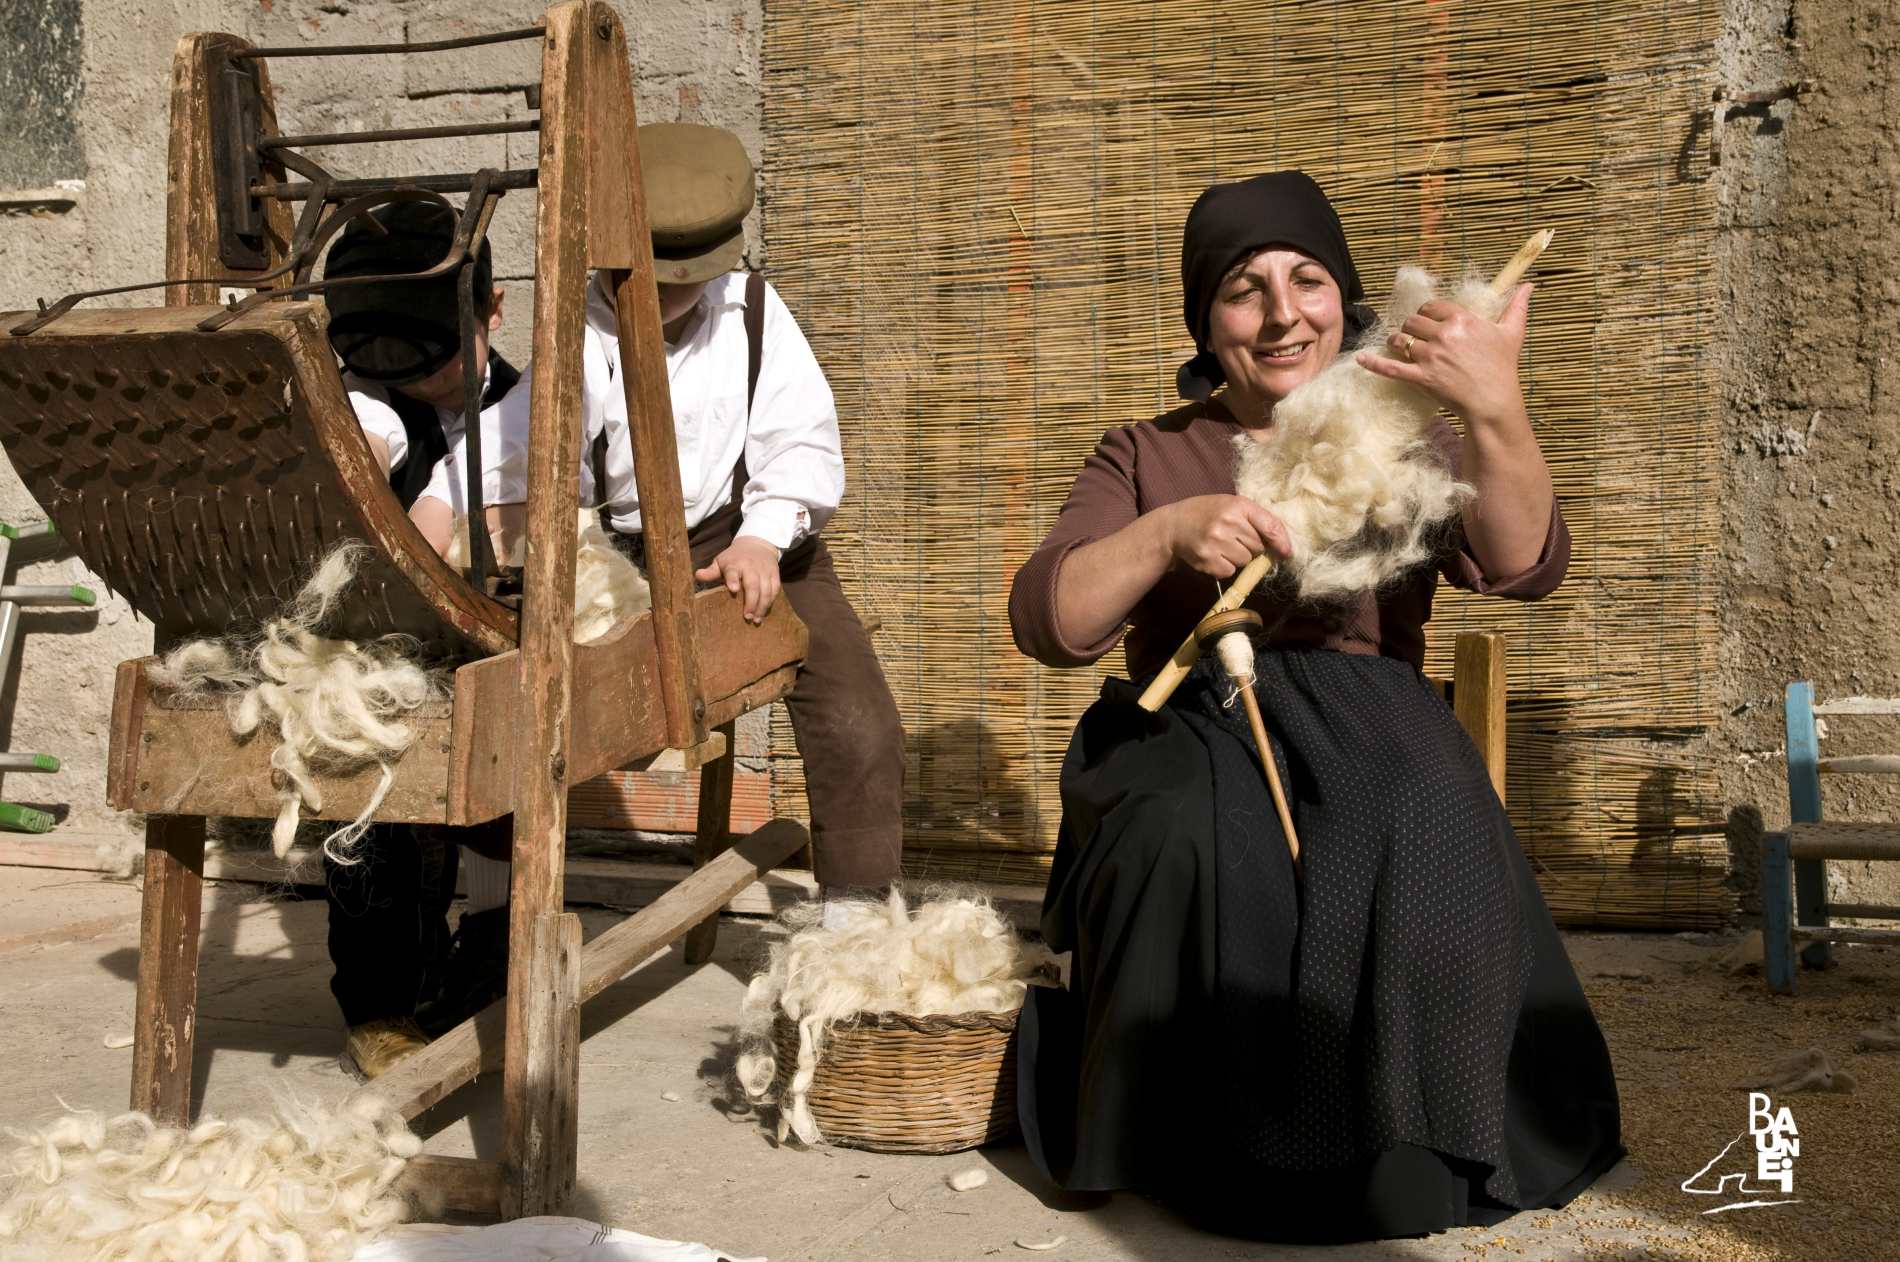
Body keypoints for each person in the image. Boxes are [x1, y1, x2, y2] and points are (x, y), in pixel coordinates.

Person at [1006, 171, 1623, 1243]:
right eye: (1244, 289)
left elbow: (1526, 565)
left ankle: (1406, 1152)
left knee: (1419, 815)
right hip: (1192, 716)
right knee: (1181, 838)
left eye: (1307, 279)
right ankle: (1188, 1145)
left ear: (1343, 299)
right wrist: (1165, 533)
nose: (1282, 311)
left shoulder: (1406, 431)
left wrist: (1493, 400)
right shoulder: (1148, 451)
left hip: (1371, 714)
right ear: (1206, 318)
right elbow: (1048, 621)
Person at [408, 122, 906, 921]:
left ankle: (857, 934)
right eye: (654, 275)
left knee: (857, 714)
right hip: (622, 552)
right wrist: (442, 513)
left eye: (687, 277)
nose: (673, 294)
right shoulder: (583, 330)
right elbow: (517, 445)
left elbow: (803, 442)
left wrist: (764, 534)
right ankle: (497, 920)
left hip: (740, 535)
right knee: (505, 696)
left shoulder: (754, 312)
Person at [317, 201, 519, 1076]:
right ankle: (379, 998)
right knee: (346, 751)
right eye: (395, 364)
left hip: (497, 648)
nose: (423, 381)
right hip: (379, 653)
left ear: (494, 311)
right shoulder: (368, 404)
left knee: (506, 736)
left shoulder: (535, 408)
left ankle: (491, 936)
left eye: (439, 359)